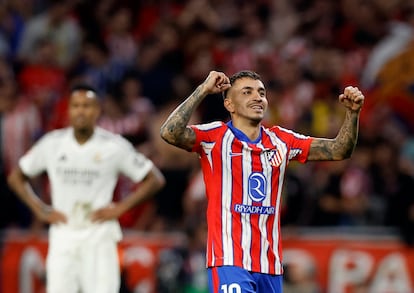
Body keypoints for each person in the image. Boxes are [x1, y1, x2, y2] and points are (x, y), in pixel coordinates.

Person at [160, 70, 364, 293]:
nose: (257, 97)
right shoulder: (214, 137)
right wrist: (203, 90)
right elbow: (170, 132)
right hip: (229, 260)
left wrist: (352, 114)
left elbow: (339, 150)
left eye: (261, 92)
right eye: (247, 92)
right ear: (229, 104)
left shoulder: (282, 141)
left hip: (270, 266)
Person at [7, 84, 165, 293]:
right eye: (76, 106)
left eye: (87, 106)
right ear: (69, 110)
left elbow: (154, 179)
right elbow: (16, 177)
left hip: (99, 236)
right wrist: (39, 208)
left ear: (97, 110)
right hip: (64, 235)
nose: (81, 111)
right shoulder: (52, 144)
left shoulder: (113, 146)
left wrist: (120, 208)